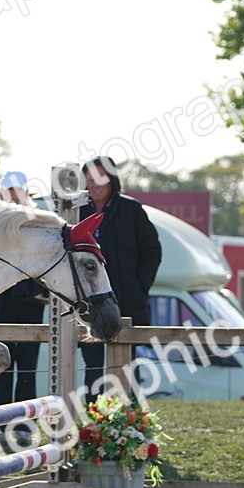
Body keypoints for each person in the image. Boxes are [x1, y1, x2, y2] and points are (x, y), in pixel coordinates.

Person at [78, 156, 161, 400]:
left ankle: (130, 425)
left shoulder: (131, 209)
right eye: (89, 179)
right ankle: (93, 427)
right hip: (89, 304)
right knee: (93, 366)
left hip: (126, 302)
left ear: (112, 179)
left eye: (100, 177)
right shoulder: (76, 211)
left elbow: (152, 251)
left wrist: (139, 285)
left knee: (127, 367)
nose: (94, 184)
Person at [0, 171, 48, 405]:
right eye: (9, 190)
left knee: (27, 365)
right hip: (1, 299)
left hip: (30, 301)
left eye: (17, 190)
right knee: (0, 361)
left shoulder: (38, 220)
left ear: (25, 192)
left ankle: (25, 422)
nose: (13, 195)